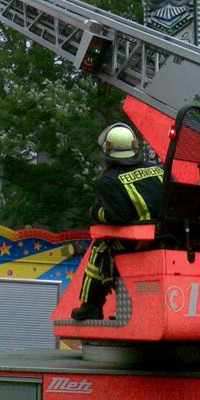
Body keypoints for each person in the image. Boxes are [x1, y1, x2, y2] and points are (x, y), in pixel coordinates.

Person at [71, 123, 165, 321]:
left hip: (136, 243)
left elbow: (117, 216)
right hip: (167, 238)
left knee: (101, 248)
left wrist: (94, 212)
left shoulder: (109, 180)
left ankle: (91, 305)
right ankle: (132, 304)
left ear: (108, 151)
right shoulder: (157, 170)